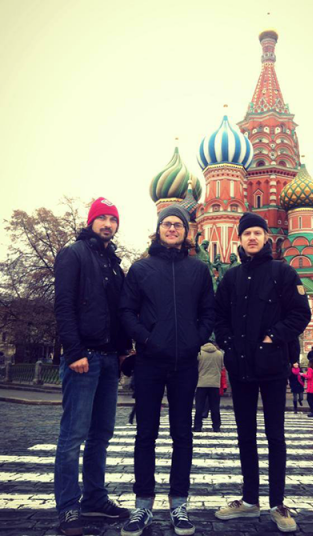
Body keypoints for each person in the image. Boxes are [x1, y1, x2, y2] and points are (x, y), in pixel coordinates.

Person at [119, 205, 215, 536]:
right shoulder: (141, 268)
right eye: (166, 224)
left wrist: (194, 340)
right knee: (146, 434)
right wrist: (146, 339)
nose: (172, 228)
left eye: (178, 225)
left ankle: (179, 503)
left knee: (182, 435)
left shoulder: (198, 269)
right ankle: (142, 505)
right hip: (149, 362)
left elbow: (209, 312)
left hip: (185, 363)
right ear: (158, 229)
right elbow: (126, 311)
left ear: (187, 232)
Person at [214, 212, 311, 533]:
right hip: (241, 366)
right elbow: (218, 316)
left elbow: (300, 313)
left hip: (272, 366)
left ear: (266, 237)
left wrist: (273, 337)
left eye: (257, 232)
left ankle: (277, 503)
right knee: (245, 435)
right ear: (240, 239)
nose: (252, 238)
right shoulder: (231, 277)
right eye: (247, 234)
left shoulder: (283, 272)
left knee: (275, 435)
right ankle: (250, 500)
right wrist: (228, 343)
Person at [54, 197, 131, 536]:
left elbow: (119, 312)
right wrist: (74, 352)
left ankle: (95, 498)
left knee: (101, 435)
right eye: (102, 218)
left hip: (109, 358)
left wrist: (123, 350)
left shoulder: (113, 262)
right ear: (91, 222)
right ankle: (68, 507)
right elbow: (64, 305)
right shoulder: (74, 253)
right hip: (83, 357)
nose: (108, 224)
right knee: (73, 436)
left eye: (112, 219)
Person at [193, 341, 224, 432]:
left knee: (199, 406)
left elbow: (195, 367)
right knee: (215, 407)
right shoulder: (219, 354)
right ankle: (216, 426)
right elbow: (221, 367)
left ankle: (197, 426)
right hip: (215, 384)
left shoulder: (199, 353)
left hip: (201, 383)